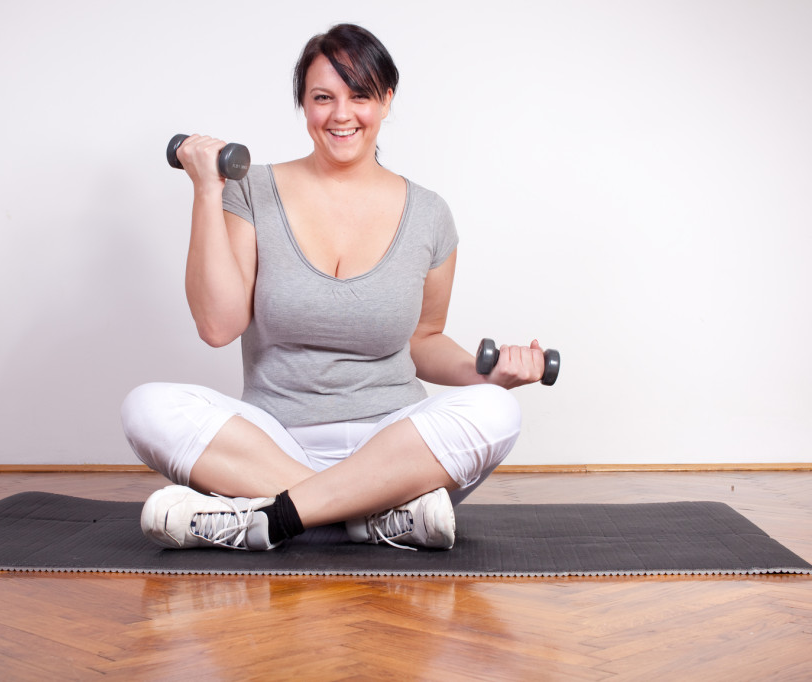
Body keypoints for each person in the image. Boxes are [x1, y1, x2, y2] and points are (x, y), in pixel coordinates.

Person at [122, 23, 548, 551]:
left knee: (497, 411)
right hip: (271, 444)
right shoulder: (252, 190)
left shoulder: (430, 214)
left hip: (393, 445)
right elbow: (217, 326)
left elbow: (423, 340)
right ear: (304, 105)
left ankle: (272, 518)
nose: (341, 114)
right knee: (146, 408)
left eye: (359, 95)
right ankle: (370, 517)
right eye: (323, 98)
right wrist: (208, 189)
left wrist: (489, 376)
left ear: (386, 100)